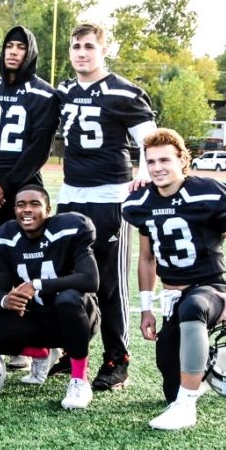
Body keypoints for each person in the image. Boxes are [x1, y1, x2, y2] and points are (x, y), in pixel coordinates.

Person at [121, 128, 226, 429]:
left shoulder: (207, 193)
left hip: (210, 290)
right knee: (170, 381)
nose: (158, 168)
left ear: (183, 159)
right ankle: (198, 376)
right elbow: (147, 258)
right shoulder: (140, 202)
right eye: (151, 161)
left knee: (193, 307)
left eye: (165, 160)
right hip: (172, 295)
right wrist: (146, 308)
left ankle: (187, 406)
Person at [55, 22, 156, 391]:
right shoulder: (64, 90)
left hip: (109, 197)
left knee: (110, 284)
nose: (81, 53)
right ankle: (74, 347)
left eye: (88, 46)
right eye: (76, 46)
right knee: (67, 276)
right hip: (70, 194)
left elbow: (150, 139)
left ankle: (118, 358)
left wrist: (143, 175)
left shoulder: (123, 91)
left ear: (102, 50)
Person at [0, 25, 59, 370]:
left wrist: (4, 185)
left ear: (30, 52)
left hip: (21, 186)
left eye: (20, 47)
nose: (13, 52)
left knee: (25, 262)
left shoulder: (45, 95)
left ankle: (27, 339)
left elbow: (38, 149)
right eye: (9, 46)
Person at [0, 185, 100, 410]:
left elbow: (90, 280)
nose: (26, 210)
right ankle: (41, 354)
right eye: (21, 205)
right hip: (38, 317)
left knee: (67, 299)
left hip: (76, 317)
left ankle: (79, 380)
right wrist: (5, 301)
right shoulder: (6, 237)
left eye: (34, 204)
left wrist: (37, 285)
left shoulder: (70, 228)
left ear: (48, 210)